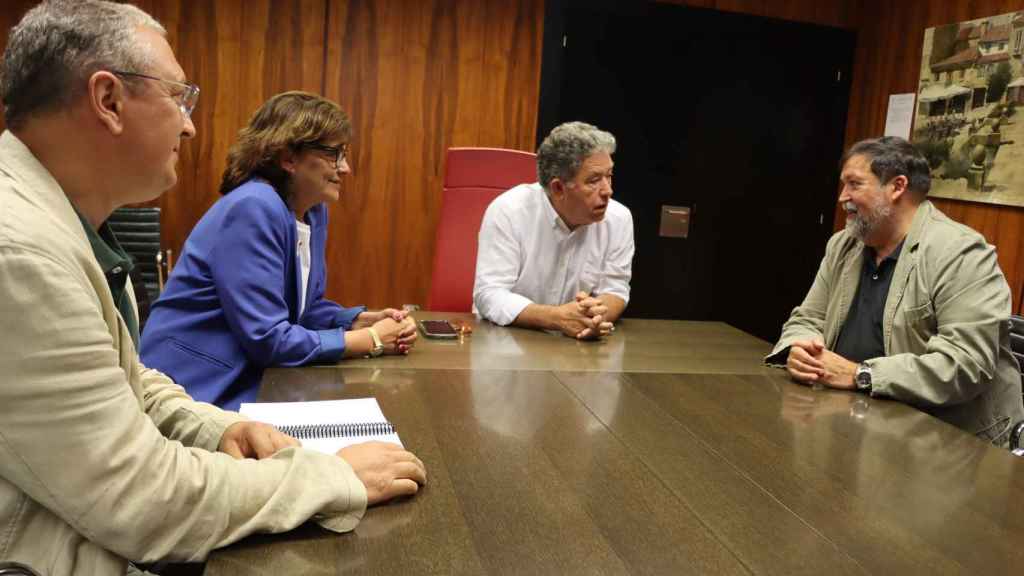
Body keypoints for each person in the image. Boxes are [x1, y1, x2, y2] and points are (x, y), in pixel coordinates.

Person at [0, 2, 425, 573]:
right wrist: (333, 476)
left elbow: (128, 383)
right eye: (178, 97)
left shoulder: (63, 222)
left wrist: (216, 427)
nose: (190, 123)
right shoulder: (21, 254)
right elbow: (145, 502)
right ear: (108, 100)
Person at [140, 91, 416, 411]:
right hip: (193, 390)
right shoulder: (254, 206)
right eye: (334, 154)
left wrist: (358, 321)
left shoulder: (312, 211)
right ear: (288, 159)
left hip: (251, 381)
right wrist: (372, 340)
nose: (346, 168)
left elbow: (302, 310)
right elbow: (268, 339)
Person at [765, 136, 1024, 445]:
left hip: (945, 442)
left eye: (854, 184)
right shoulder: (843, 245)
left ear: (897, 187)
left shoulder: (961, 254)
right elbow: (807, 318)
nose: (842, 197)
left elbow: (965, 365)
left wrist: (861, 374)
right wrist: (799, 350)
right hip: (853, 420)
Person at [472, 121, 634, 339]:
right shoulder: (509, 211)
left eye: (609, 175)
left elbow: (615, 288)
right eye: (594, 180)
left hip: (579, 350)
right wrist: (557, 318)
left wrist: (593, 317)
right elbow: (489, 294)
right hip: (508, 342)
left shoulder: (619, 219)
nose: (608, 190)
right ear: (558, 188)